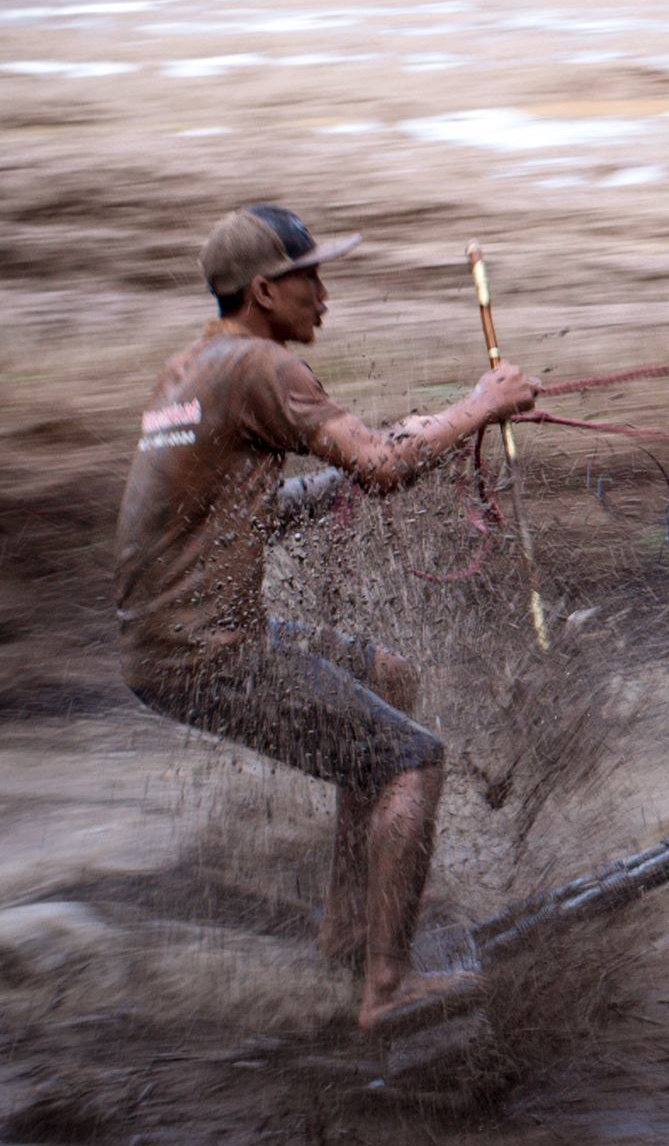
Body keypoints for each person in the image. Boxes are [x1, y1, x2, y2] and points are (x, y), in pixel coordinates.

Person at [114, 204, 537, 1033]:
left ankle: (347, 931)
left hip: (167, 641)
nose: (324, 293)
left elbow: (238, 510)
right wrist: (478, 407)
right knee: (412, 761)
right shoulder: (265, 368)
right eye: (311, 277)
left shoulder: (193, 369)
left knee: (387, 679)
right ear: (266, 291)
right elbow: (381, 465)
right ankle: (387, 989)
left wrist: (373, 466)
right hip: (208, 650)